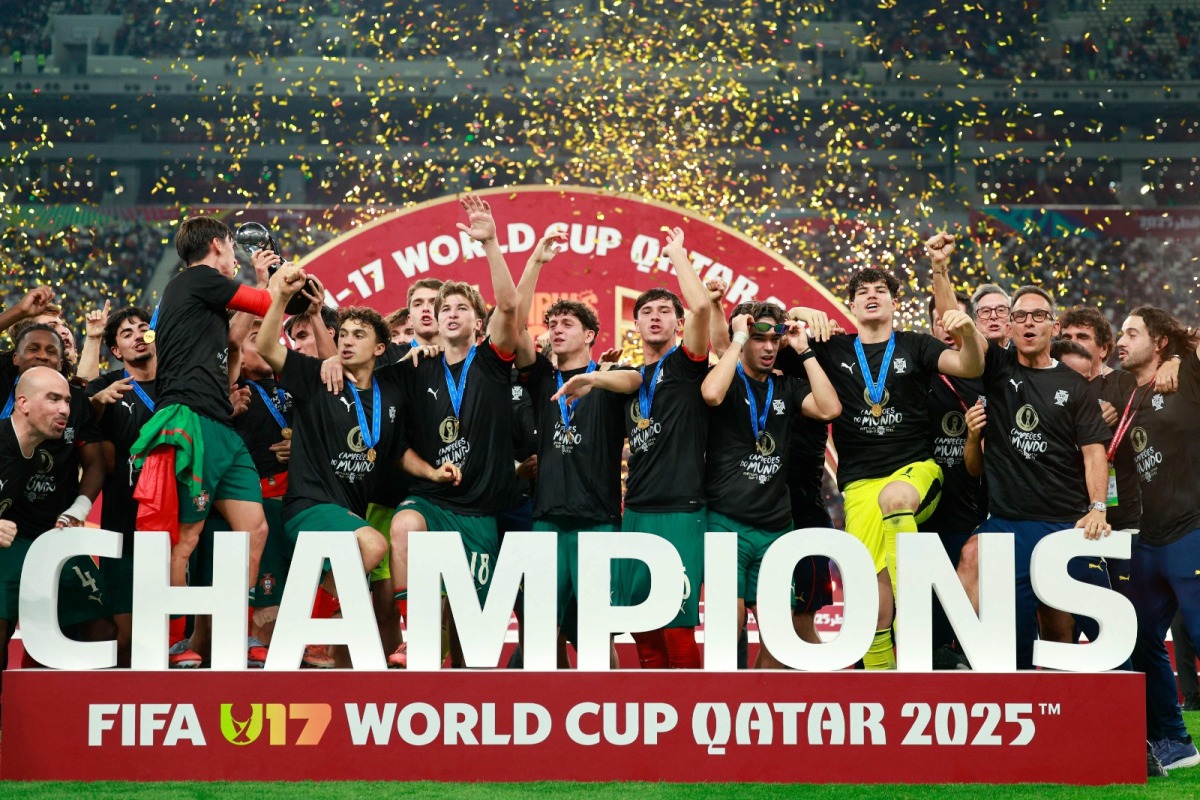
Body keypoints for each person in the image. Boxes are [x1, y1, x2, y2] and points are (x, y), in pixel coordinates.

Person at [790, 235, 985, 669]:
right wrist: (800, 311)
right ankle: (886, 687)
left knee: (895, 498)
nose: (872, 297)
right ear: (853, 307)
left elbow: (969, 367)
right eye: (863, 292)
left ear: (895, 303)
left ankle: (913, 611)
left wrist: (968, 335)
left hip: (916, 473)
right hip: (858, 485)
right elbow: (771, 328)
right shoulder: (834, 347)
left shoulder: (916, 345)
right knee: (873, 607)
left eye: (881, 291)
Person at [258, 264, 458, 668]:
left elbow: (398, 451)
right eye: (342, 334)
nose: (347, 341)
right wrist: (279, 296)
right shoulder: (318, 377)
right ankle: (310, 626)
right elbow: (266, 348)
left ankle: (309, 630)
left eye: (358, 335)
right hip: (309, 504)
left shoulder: (392, 387)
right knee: (373, 544)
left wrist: (433, 472)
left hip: (350, 510)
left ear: (381, 348)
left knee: (358, 594)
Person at [128, 216, 277, 668]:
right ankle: (173, 638)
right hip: (190, 421)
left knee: (255, 527)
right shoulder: (198, 278)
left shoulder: (199, 293)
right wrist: (268, 278)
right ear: (216, 245)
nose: (236, 258)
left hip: (220, 426)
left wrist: (264, 282)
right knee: (184, 540)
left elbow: (236, 335)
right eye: (233, 249)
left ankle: (235, 629)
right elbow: (267, 302)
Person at [384, 194, 522, 668]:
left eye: (462, 307)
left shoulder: (491, 361)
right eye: (445, 309)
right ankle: (413, 635)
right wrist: (431, 472)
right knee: (403, 525)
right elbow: (397, 448)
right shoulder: (415, 369)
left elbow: (509, 303)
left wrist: (490, 243)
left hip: (480, 507)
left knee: (472, 645)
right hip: (434, 498)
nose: (451, 313)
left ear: (477, 322)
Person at [958, 286, 1112, 671]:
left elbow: (1095, 452)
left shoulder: (1075, 385)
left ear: (1053, 325)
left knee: (1061, 629)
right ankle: (975, 664)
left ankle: (1063, 717)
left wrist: (1097, 508)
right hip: (1009, 522)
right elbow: (974, 468)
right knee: (978, 569)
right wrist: (941, 269)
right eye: (1021, 316)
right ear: (1008, 327)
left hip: (1063, 522)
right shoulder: (996, 368)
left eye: (1038, 316)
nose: (1029, 323)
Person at [701, 303, 840, 667]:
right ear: (743, 339)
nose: (767, 348)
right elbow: (711, 395)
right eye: (757, 339)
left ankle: (759, 715)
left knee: (779, 642)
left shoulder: (787, 386)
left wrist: (804, 349)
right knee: (726, 633)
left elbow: (829, 409)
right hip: (726, 523)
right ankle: (725, 711)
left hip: (777, 527)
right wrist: (738, 338)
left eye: (773, 340)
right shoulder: (727, 380)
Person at [616, 226, 712, 669]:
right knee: (643, 624)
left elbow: (701, 306)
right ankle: (657, 725)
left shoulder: (686, 365)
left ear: (678, 323)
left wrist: (676, 254)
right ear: (634, 324)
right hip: (635, 509)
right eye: (646, 312)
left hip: (681, 509)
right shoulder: (629, 380)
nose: (655, 318)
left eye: (664, 312)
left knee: (675, 624)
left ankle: (690, 722)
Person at [1115, 306, 1200, 771]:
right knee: (1139, 635)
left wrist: (1183, 354)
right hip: (1150, 540)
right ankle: (1175, 739)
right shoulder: (1124, 389)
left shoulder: (1186, 374)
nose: (1121, 340)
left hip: (1194, 528)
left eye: (1132, 333)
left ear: (1160, 341)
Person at [85, 306, 158, 667]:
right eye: (127, 333)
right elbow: (80, 415)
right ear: (116, 351)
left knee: (178, 627)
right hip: (125, 521)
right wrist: (97, 403)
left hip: (179, 521)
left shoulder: (180, 381)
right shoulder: (108, 386)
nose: (138, 336)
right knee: (127, 633)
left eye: (143, 328)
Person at [0, 366, 71, 720]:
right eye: (54, 399)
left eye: (67, 401)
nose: (64, 410)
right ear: (23, 403)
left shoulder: (37, 453)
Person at [920, 290, 986, 669]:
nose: (949, 327)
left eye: (958, 319)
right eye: (940, 320)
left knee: (964, 594)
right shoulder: (915, 370)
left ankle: (961, 658)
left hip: (970, 506)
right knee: (920, 600)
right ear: (930, 327)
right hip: (922, 508)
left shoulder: (987, 374)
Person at [971, 284, 1012, 349]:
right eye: (986, 311)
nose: (993, 316)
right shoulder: (961, 357)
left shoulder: (1026, 354)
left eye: (1000, 310)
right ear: (974, 322)